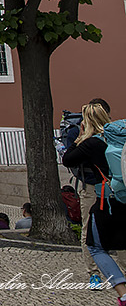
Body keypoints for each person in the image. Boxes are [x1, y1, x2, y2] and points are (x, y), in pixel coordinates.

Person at [62, 98, 126, 306]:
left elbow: (68, 158)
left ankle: (116, 287)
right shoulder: (117, 138)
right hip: (123, 194)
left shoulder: (90, 143)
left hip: (103, 197)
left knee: (94, 243)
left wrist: (81, 135)